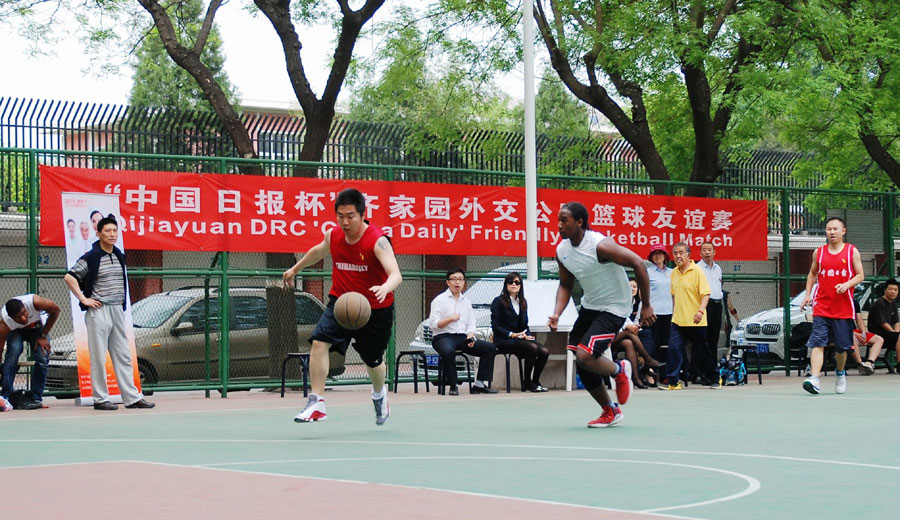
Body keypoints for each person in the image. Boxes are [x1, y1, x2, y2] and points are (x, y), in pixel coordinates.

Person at [282, 188, 401, 424]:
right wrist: (296, 268)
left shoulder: (376, 241)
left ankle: (379, 394)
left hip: (374, 309)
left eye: (350, 216)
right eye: (340, 216)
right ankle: (317, 402)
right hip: (341, 303)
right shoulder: (334, 235)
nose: (345, 221)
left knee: (372, 360)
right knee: (319, 342)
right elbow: (319, 251)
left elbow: (396, 273)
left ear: (362, 214)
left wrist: (386, 287)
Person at [548, 202, 655, 428]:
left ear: (579, 222)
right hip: (591, 305)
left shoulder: (600, 246)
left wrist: (646, 305)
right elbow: (565, 285)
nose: (559, 225)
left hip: (615, 307)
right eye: (558, 220)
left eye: (564, 220)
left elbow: (639, 264)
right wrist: (557, 312)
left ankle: (619, 370)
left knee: (585, 355)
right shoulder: (562, 251)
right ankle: (610, 411)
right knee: (581, 361)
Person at [64, 213, 155, 410]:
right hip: (99, 311)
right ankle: (100, 399)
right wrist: (84, 299)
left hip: (117, 311)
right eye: (107, 231)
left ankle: (132, 397)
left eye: (114, 230)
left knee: (123, 354)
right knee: (97, 356)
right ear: (98, 234)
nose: (112, 234)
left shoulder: (119, 255)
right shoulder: (91, 257)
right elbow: (70, 277)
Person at [799, 216, 865, 395]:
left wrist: (847, 285)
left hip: (843, 309)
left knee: (841, 348)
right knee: (817, 343)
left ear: (843, 231)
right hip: (822, 307)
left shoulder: (851, 251)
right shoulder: (818, 253)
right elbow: (812, 274)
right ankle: (814, 378)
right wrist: (807, 295)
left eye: (835, 229)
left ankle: (840, 373)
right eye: (829, 229)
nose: (832, 232)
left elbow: (860, 275)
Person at [429, 269, 498, 396]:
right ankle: (453, 385)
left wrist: (470, 337)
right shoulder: (439, 300)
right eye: (454, 279)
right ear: (447, 282)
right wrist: (450, 319)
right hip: (442, 337)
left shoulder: (467, 302)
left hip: (462, 338)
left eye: (460, 279)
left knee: (490, 348)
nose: (457, 282)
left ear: (464, 282)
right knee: (448, 351)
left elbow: (471, 324)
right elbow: (433, 324)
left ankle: (479, 384)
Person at [662, 242, 717, 390]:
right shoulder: (673, 273)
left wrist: (700, 311)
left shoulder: (697, 271)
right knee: (674, 349)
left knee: (702, 352)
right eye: (675, 253)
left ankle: (715, 377)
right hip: (678, 321)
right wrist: (674, 314)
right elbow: (674, 296)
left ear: (688, 255)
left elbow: (706, 294)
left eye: (681, 253)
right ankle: (673, 381)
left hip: (695, 320)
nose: (678, 256)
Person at [490, 272, 550, 392]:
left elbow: (525, 325)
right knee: (532, 348)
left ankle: (535, 381)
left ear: (520, 286)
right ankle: (527, 382)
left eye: (517, 282)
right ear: (506, 284)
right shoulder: (498, 301)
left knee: (544, 351)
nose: (513, 284)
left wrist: (526, 335)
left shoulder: (523, 302)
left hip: (519, 340)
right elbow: (495, 326)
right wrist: (512, 334)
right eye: (510, 282)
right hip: (504, 340)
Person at [1, 295, 61, 410]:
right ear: (11, 318)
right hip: (16, 331)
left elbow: (56, 310)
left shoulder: (35, 302)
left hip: (37, 329)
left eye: (24, 313)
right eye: (18, 317)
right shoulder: (5, 323)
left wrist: (43, 336)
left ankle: (36, 397)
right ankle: (6, 396)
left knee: (42, 356)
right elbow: (0, 346)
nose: (23, 319)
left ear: (25, 307)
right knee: (13, 353)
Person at [611, 280, 661, 388]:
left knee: (629, 343)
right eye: (630, 286)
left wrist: (635, 327)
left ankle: (636, 379)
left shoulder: (638, 303)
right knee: (630, 334)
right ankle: (648, 360)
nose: (632, 289)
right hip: (610, 334)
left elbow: (634, 320)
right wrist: (628, 327)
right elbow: (617, 319)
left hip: (623, 335)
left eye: (635, 286)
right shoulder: (619, 301)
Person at [696, 241, 724, 383]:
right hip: (704, 305)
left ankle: (713, 371)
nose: (707, 252)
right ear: (700, 253)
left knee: (714, 339)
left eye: (709, 250)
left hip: (717, 305)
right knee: (703, 340)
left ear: (714, 252)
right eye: (704, 250)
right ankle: (701, 373)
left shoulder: (718, 268)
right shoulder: (697, 268)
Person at [642, 244, 673, 362]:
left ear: (665, 256)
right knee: (653, 343)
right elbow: (642, 292)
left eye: (660, 253)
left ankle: (666, 373)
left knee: (667, 343)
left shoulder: (673, 272)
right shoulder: (647, 272)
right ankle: (654, 372)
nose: (658, 256)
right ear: (651, 257)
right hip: (653, 313)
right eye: (655, 254)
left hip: (670, 312)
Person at [866, 278, 900, 374]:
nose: (893, 292)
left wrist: (896, 333)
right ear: (885, 290)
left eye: (895, 290)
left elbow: (897, 322)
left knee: (899, 336)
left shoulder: (893, 304)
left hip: (889, 334)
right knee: (899, 337)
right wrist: (895, 335)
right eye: (890, 289)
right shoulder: (879, 303)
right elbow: (883, 323)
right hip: (878, 334)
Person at [850, 298, 883, 375]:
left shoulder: (854, 302)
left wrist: (863, 333)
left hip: (855, 331)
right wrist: (854, 334)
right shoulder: (835, 303)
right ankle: (860, 364)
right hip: (844, 333)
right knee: (851, 337)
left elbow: (859, 319)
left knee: (879, 339)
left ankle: (869, 363)